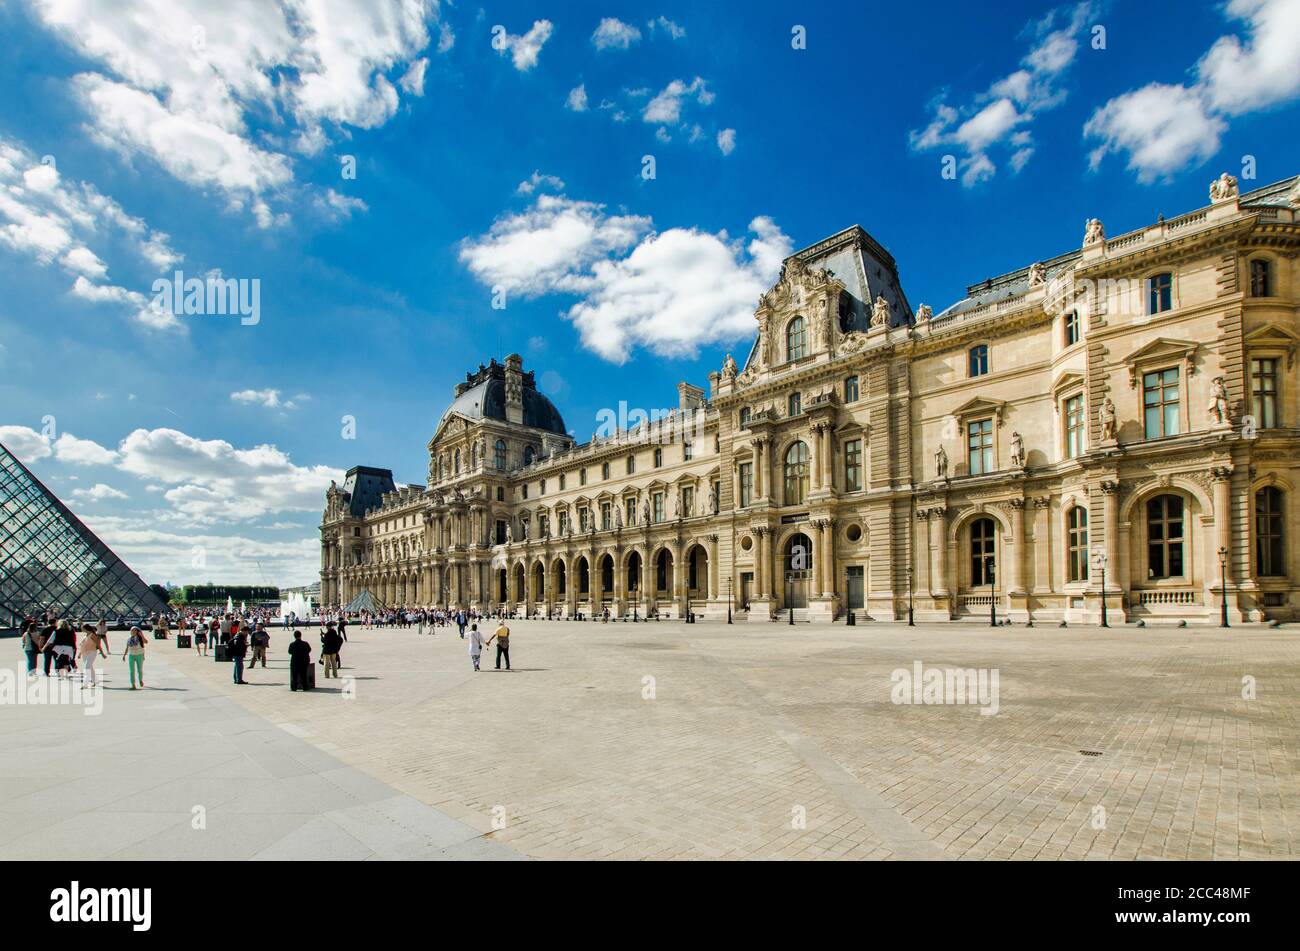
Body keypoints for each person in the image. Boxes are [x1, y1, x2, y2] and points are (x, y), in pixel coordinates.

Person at [78, 623, 108, 687]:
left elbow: (98, 644)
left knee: (87, 668)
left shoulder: (92, 635)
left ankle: (85, 684)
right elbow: (82, 645)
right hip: (84, 654)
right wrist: (80, 654)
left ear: (85, 628)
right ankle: (95, 681)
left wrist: (102, 653)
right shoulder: (85, 636)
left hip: (91, 652)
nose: (81, 629)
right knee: (90, 668)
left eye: (82, 628)